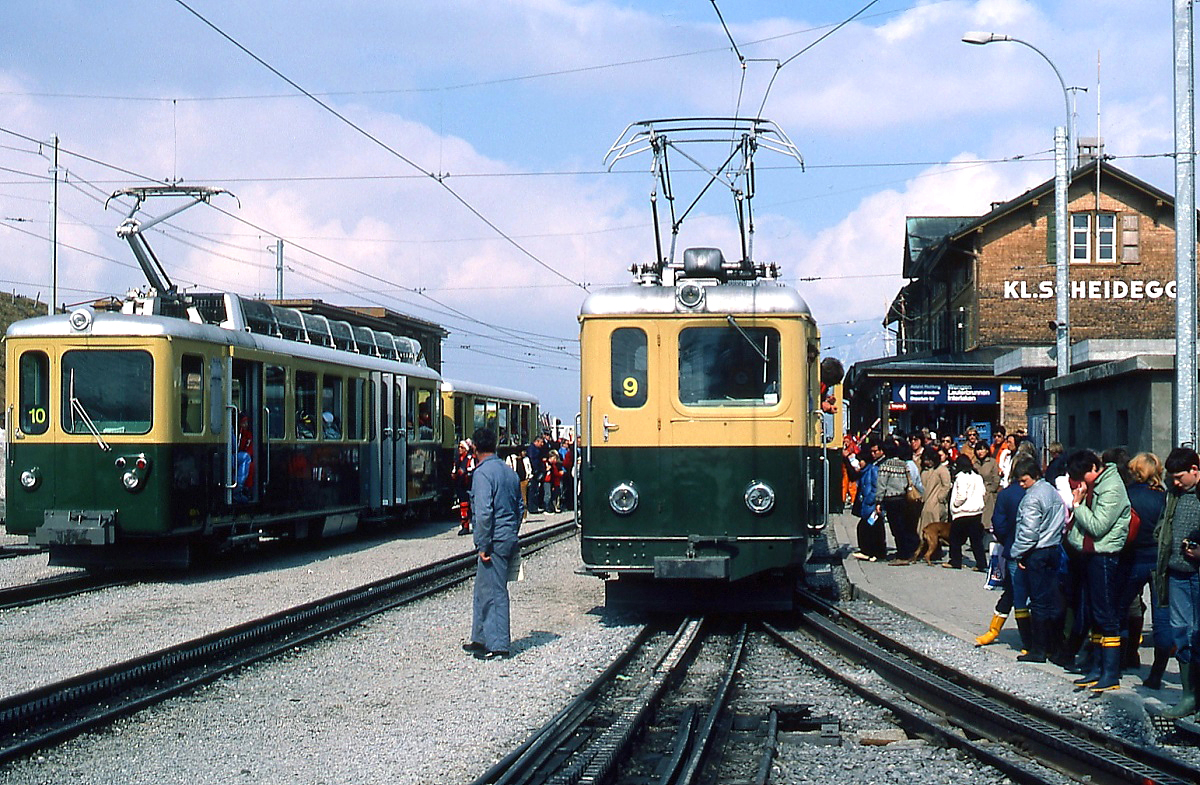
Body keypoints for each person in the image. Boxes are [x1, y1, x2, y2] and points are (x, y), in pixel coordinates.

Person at [1066, 449, 1131, 692]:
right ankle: (1095, 668)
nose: (1081, 482)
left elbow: (1098, 525)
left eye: (1083, 476)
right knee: (1094, 613)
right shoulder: (1096, 485)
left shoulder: (1111, 487)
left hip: (1105, 554)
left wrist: (1077, 505)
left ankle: (1110, 673)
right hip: (1091, 554)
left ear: (1095, 468)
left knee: (1106, 614)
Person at [462, 427, 524, 661]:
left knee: (495, 590)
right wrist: (512, 531)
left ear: (475, 448)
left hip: (493, 539)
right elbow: (520, 507)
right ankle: (480, 638)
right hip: (507, 535)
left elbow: (484, 511)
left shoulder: (482, 474)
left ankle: (498, 645)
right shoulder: (509, 472)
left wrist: (483, 543)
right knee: (482, 588)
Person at [1152, 447, 1200, 718]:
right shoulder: (1173, 495)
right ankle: (1189, 696)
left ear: (1195, 470)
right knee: (1181, 633)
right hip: (1177, 574)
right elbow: (1164, 524)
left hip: (1197, 572)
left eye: (1180, 476)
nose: (1175, 482)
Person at [1120, 452, 1171, 688]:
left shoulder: (1128, 495)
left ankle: (1121, 658)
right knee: (1162, 615)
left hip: (1132, 557)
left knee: (1120, 608)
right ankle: (1157, 674)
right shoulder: (1164, 497)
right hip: (1158, 559)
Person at [1010, 457, 1068, 662]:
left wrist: (1017, 552)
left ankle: (1039, 649)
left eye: (1024, 480)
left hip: (1037, 552)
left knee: (1038, 601)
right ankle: (1056, 646)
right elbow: (1062, 521)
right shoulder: (1052, 492)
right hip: (1053, 548)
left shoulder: (1032, 498)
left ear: (1034, 476)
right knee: (1053, 599)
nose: (1021, 484)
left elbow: (1029, 532)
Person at [975, 471, 1028, 647]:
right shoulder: (1043, 491)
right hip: (1037, 551)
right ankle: (1035, 640)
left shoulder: (1006, 494)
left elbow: (998, 523)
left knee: (1014, 591)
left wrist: (1007, 541)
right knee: (1025, 594)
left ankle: (996, 631)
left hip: (1013, 548)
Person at [876, 440, 918, 561]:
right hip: (903, 498)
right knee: (903, 526)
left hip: (891, 499)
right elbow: (908, 482)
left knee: (895, 528)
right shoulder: (903, 464)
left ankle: (902, 555)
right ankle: (906, 552)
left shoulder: (885, 466)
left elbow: (881, 485)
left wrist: (878, 501)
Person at [848, 439, 886, 561]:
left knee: (869, 527)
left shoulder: (874, 469)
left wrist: (869, 500)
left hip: (871, 503)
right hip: (869, 502)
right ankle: (873, 552)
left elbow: (875, 487)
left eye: (876, 451)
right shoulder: (870, 468)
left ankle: (871, 552)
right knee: (872, 528)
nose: (859, 463)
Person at [947, 454, 986, 570]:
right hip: (976, 513)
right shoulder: (977, 477)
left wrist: (955, 504)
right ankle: (981, 563)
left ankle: (955, 561)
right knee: (976, 541)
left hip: (962, 513)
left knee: (955, 539)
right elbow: (983, 492)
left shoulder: (961, 477)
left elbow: (962, 495)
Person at [973, 442, 1001, 532]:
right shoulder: (974, 463)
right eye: (978, 449)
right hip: (976, 494)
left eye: (982, 449)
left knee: (987, 520)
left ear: (987, 450)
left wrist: (990, 490)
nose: (980, 452)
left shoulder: (992, 462)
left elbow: (996, 478)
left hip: (989, 494)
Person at [454, 439, 475, 535]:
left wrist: (465, 473)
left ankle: (470, 525)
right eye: (459, 447)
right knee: (463, 506)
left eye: (461, 447)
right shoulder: (458, 459)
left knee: (469, 506)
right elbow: (454, 470)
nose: (459, 449)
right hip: (460, 485)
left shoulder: (470, 458)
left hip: (468, 485)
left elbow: (472, 469)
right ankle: (464, 525)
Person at [234, 413, 254, 503]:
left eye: (246, 422)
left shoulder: (248, 435)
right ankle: (238, 489)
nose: (245, 425)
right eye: (243, 423)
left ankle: (244, 488)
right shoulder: (237, 433)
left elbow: (250, 449)